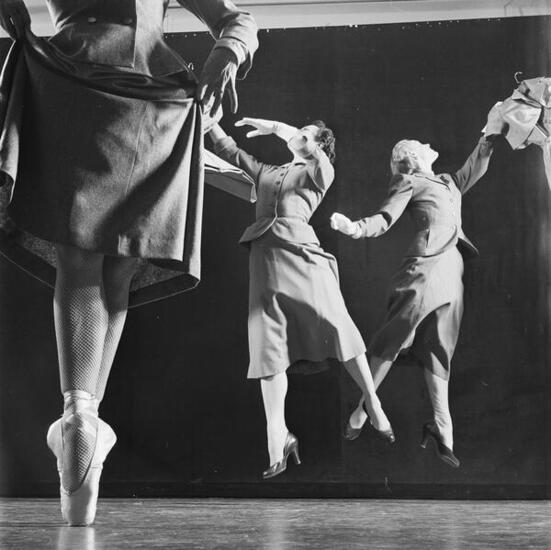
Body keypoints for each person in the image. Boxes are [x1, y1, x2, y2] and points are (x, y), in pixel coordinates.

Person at [0, 0, 258, 526]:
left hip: (70, 83)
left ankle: (78, 415)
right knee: (121, 262)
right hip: (154, 100)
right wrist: (227, 55)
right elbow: (237, 20)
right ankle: (85, 421)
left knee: (78, 256)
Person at [209, 117, 395, 480]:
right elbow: (231, 152)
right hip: (266, 258)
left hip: (303, 256)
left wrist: (278, 128)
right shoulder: (268, 171)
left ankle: (372, 401)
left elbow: (307, 147)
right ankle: (277, 438)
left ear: (320, 145)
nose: (298, 137)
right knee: (267, 343)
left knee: (337, 325)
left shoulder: (319, 171)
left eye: (306, 134)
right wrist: (208, 124)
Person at [330, 106, 505, 468]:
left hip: (452, 265)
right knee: (397, 334)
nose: (428, 145)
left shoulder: (449, 181)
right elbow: (385, 216)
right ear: (410, 159)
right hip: (424, 265)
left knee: (441, 342)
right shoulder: (409, 181)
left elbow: (476, 164)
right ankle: (365, 406)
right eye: (420, 145)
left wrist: (490, 130)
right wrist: (356, 228)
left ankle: (442, 424)